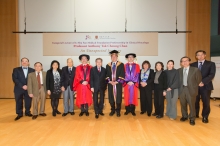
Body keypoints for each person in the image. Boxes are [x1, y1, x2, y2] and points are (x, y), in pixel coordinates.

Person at [190, 50, 216, 123]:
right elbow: (191, 75)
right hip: (195, 86)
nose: (200, 56)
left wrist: (202, 82)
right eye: (198, 55)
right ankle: (195, 114)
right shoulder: (192, 64)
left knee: (206, 102)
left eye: (202, 55)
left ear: (205, 55)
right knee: (195, 101)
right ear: (196, 56)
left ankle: (205, 116)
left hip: (206, 86)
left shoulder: (211, 64)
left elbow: (211, 74)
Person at [178, 56, 202, 126]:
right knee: (183, 104)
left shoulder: (195, 70)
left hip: (191, 90)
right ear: (181, 63)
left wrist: (194, 88)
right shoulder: (179, 70)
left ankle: (192, 118)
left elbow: (198, 80)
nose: (184, 62)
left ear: (189, 62)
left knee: (192, 105)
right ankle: (184, 116)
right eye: (183, 61)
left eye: (186, 61)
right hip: (182, 89)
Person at [106, 50, 125, 117]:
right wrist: (110, 81)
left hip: (118, 84)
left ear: (117, 57)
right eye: (112, 56)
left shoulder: (121, 65)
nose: (113, 57)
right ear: (111, 57)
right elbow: (107, 75)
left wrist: (117, 81)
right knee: (111, 97)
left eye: (115, 56)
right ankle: (112, 110)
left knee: (118, 97)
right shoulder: (108, 65)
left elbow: (122, 74)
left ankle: (118, 111)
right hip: (111, 84)